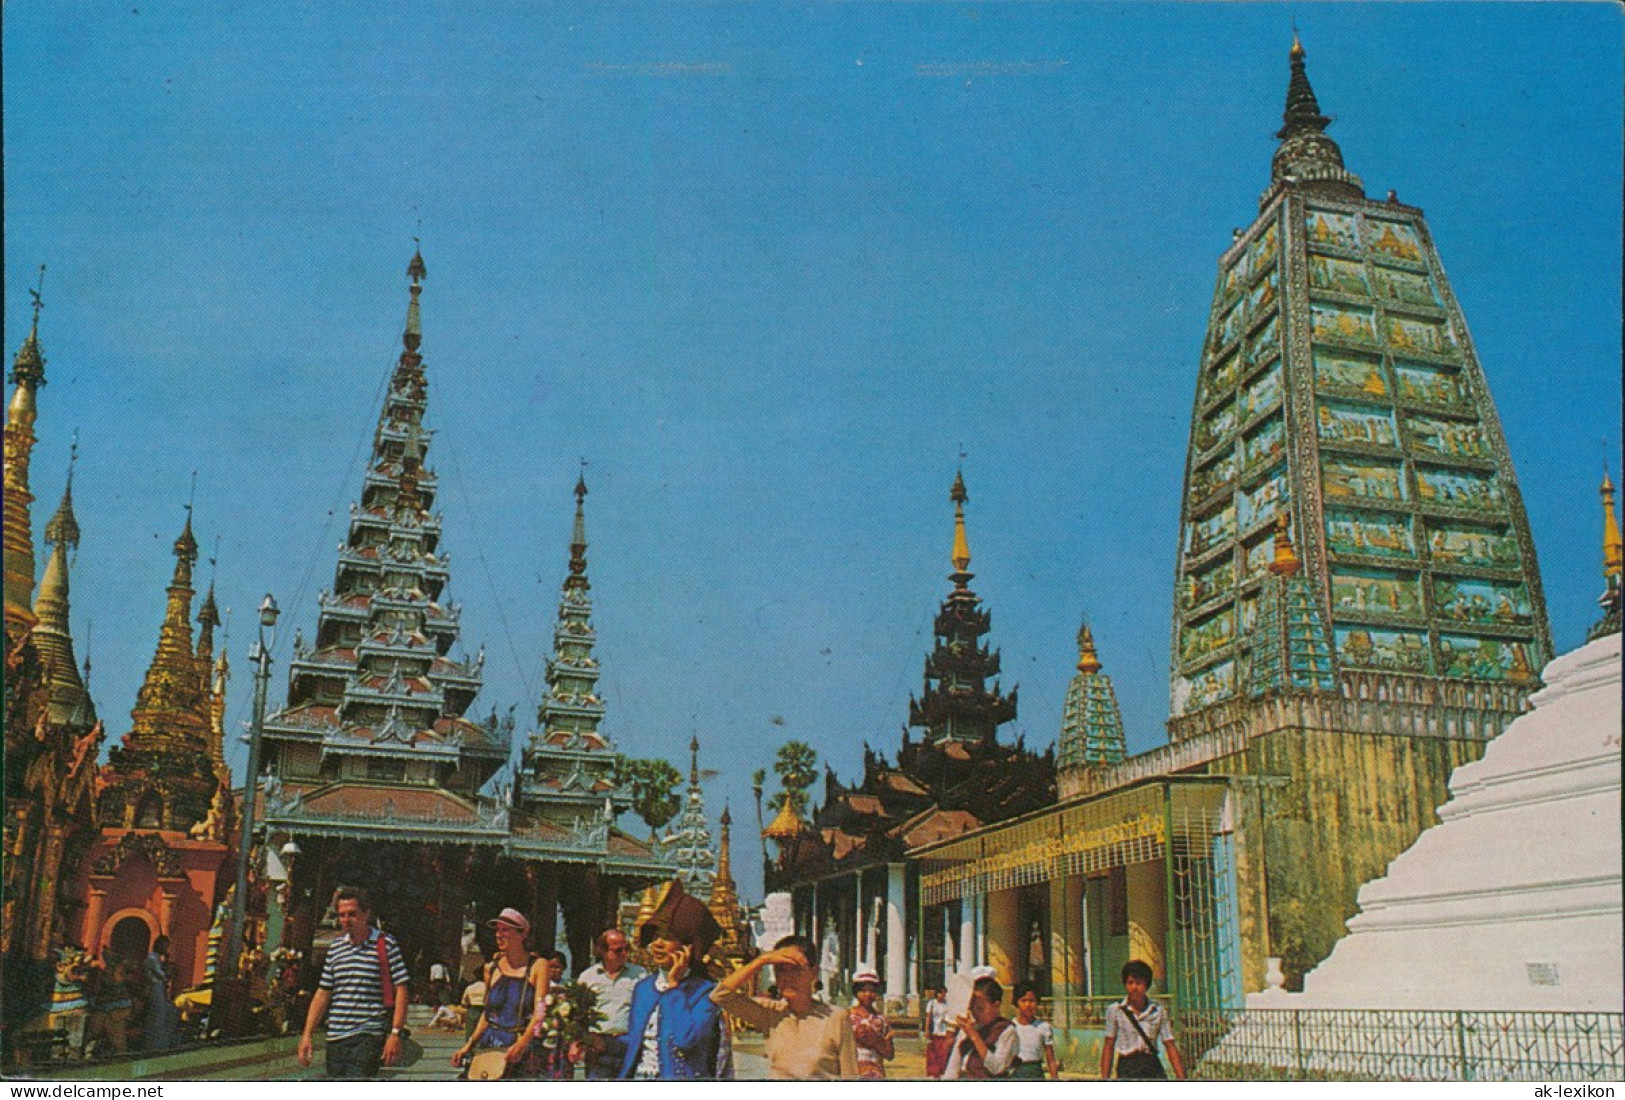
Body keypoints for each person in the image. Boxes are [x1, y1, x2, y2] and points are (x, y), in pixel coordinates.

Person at [621, 880, 732, 1079]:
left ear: (688, 947)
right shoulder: (643, 988)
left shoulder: (706, 992)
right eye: (655, 937)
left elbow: (686, 1039)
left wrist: (674, 988)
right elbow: (636, 1043)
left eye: (667, 937)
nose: (657, 945)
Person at [297, 886, 412, 1079]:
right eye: (341, 915)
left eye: (352, 914)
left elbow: (401, 989)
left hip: (367, 1036)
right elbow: (323, 993)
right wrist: (307, 1034)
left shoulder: (385, 944)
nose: (345, 920)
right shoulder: (335, 949)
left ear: (366, 913)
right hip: (335, 1038)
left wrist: (395, 1033)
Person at [710, 934, 856, 1080]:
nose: (788, 977)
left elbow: (850, 1076)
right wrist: (762, 960)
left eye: (796, 969)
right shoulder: (771, 1013)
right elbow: (720, 995)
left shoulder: (836, 1017)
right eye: (781, 969)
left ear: (813, 972)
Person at [451, 909, 550, 1078]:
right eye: (497, 930)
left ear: (522, 934)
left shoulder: (538, 966)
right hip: (490, 1044)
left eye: (505, 930)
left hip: (521, 1045)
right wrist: (469, 1045)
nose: (498, 935)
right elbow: (488, 1013)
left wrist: (522, 1044)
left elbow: (539, 1012)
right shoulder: (492, 967)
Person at [1099, 960, 1185, 1080]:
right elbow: (1109, 1045)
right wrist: (1104, 1080)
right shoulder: (1115, 1010)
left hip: (1151, 1065)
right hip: (1127, 1067)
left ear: (1147, 985)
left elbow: (1169, 1044)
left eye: (1139, 983)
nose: (1134, 987)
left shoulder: (1158, 1011)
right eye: (1130, 983)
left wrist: (1182, 1079)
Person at [578, 928, 644, 1080]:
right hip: (599, 1047)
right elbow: (579, 1014)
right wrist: (588, 1038)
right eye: (618, 950)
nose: (625, 954)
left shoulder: (640, 975)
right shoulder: (588, 977)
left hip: (628, 1044)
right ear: (602, 951)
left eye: (626, 949)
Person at [942, 976, 1017, 1079]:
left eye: (980, 1008)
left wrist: (975, 1037)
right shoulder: (968, 1029)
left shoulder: (1006, 1031)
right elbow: (953, 1067)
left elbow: (997, 1068)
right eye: (971, 1007)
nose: (974, 1012)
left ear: (996, 1006)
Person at [847, 969, 893, 1080]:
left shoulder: (881, 1020)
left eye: (872, 990)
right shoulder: (846, 1017)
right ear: (856, 992)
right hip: (852, 1071)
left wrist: (875, 1041)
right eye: (863, 990)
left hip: (875, 1073)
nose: (868, 994)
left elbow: (890, 1054)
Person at [1010, 983, 1060, 1080]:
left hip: (1036, 1073)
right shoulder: (1010, 1026)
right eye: (1023, 1001)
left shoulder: (1044, 1027)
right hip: (1015, 1073)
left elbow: (1050, 1060)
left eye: (1032, 1001)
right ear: (1016, 1003)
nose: (1028, 1005)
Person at [141, 936, 178, 1052]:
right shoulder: (151, 958)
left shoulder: (158, 958)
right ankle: (153, 1046)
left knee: (169, 1013)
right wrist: (168, 972)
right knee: (157, 1017)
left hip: (160, 988)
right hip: (154, 988)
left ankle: (163, 1043)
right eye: (165, 946)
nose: (167, 949)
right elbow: (161, 975)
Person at [923, 986, 952, 1079]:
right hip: (933, 1031)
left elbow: (948, 1018)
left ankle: (941, 1072)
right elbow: (928, 1017)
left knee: (942, 1053)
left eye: (944, 993)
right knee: (932, 1053)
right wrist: (927, 1029)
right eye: (941, 993)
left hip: (943, 1032)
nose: (942, 995)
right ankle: (933, 1073)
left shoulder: (946, 1005)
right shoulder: (931, 1004)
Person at [460, 965, 487, 1044]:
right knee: (482, 1032)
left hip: (472, 1009)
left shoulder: (470, 987)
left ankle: (468, 1052)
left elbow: (464, 1002)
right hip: (484, 1010)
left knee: (470, 1031)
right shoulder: (489, 987)